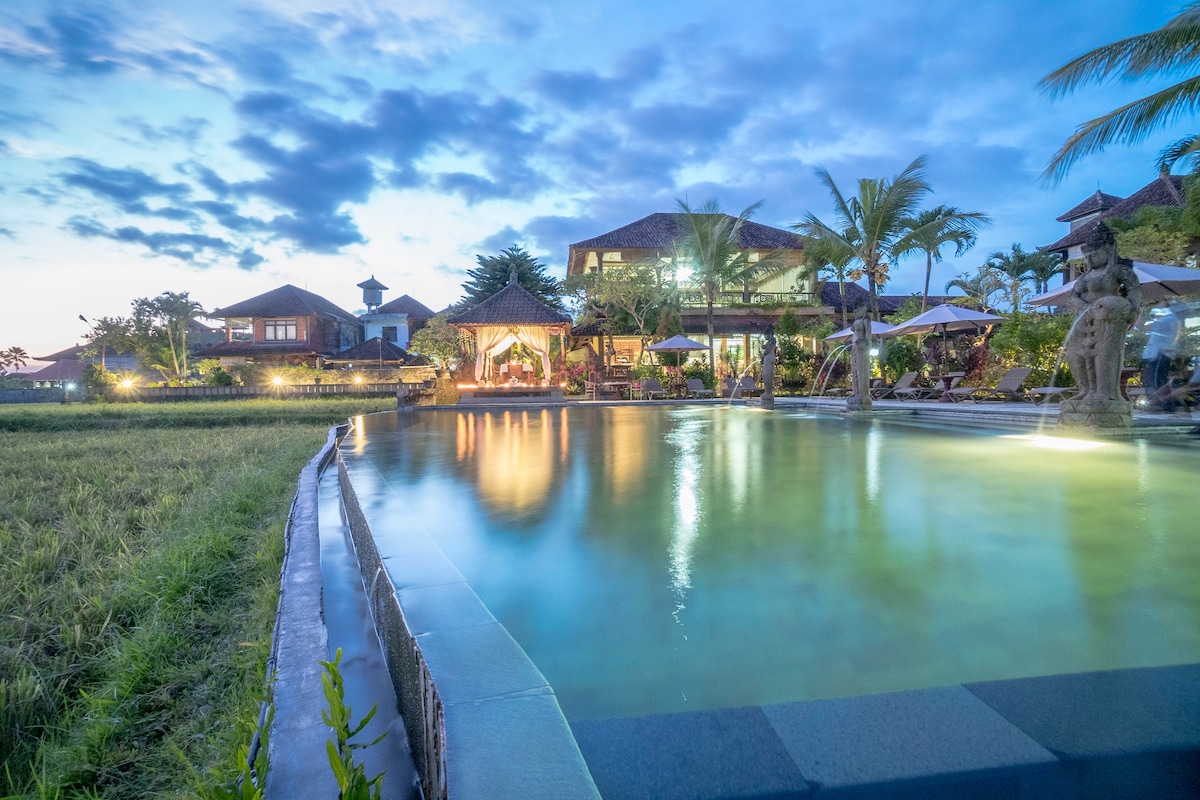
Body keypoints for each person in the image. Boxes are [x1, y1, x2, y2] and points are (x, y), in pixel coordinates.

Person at [1062, 223, 1141, 410]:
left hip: (1108, 319)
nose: (1089, 258)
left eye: (1094, 254)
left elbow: (1134, 290)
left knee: (1105, 354)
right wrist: (1083, 306)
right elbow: (1072, 296)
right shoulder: (1085, 277)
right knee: (1075, 355)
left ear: (1108, 250)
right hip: (1085, 319)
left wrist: (1129, 309)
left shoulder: (1116, 271)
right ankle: (1085, 390)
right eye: (1087, 255)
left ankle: (1104, 393)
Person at [1139, 301, 1182, 412]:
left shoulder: (1169, 319)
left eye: (1159, 304)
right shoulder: (1165, 319)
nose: (1157, 306)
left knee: (1157, 380)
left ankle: (1161, 404)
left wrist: (1141, 313)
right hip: (1156, 353)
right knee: (1157, 379)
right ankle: (1163, 405)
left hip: (1160, 354)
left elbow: (1146, 327)